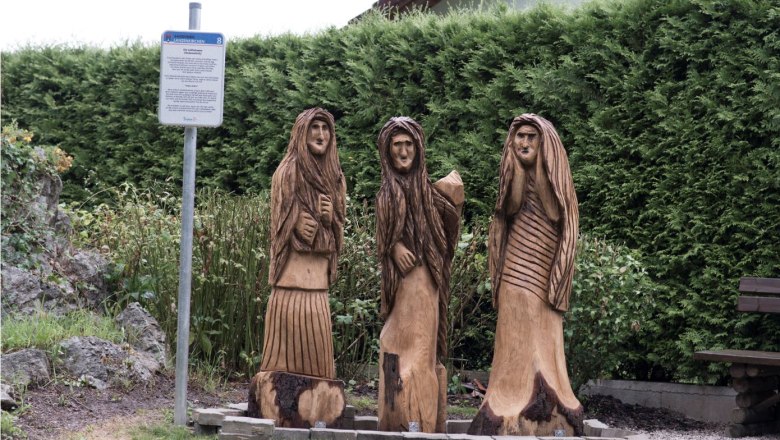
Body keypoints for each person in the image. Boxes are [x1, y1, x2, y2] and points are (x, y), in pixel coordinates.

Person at [468, 114, 583, 436]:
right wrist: (517, 169)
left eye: (532, 137)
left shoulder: (554, 176)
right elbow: (509, 207)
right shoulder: (513, 173)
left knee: (542, 329)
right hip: (515, 260)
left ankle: (544, 401)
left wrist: (539, 168)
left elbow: (555, 212)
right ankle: (508, 400)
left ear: (544, 143)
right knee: (513, 323)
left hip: (544, 263)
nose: (525, 143)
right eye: (520, 137)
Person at [249, 108, 346, 427]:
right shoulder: (288, 172)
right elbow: (278, 220)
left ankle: (318, 408)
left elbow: (338, 230)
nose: (320, 134)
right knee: (283, 351)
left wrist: (330, 219)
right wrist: (294, 222)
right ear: (301, 133)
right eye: (314, 128)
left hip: (317, 282)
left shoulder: (335, 177)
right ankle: (277, 403)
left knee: (319, 358)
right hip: (290, 280)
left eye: (325, 128)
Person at [375, 116, 463, 433]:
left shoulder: (429, 194)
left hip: (426, 281)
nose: (403, 151)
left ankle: (421, 416)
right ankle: (398, 413)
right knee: (395, 343)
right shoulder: (387, 194)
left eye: (408, 145)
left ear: (418, 149)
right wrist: (394, 248)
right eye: (397, 145)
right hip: (402, 286)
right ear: (387, 151)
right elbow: (383, 236)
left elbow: (448, 234)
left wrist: (453, 200)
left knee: (423, 349)